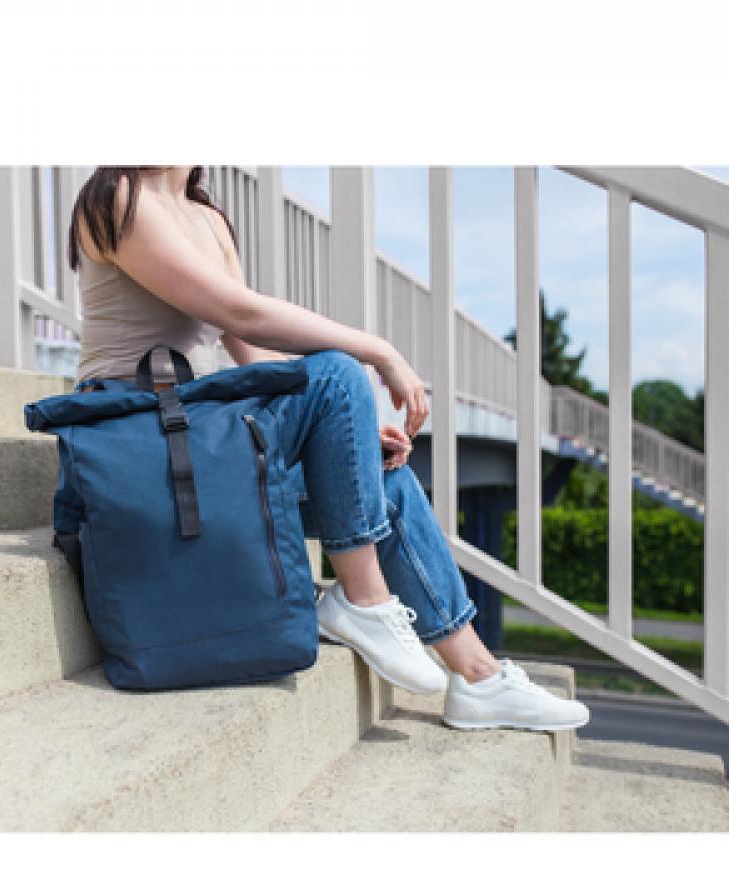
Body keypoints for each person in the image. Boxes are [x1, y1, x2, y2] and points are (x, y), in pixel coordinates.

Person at [62, 165, 590, 732]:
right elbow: (240, 314)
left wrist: (346, 433)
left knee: (383, 475)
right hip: (137, 446)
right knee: (338, 371)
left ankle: (480, 677)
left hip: (196, 441)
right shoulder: (119, 197)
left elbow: (255, 361)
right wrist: (377, 350)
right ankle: (364, 600)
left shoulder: (208, 218)